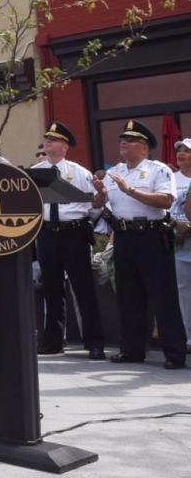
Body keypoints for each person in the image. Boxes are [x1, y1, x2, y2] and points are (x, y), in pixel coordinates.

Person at [91, 120, 185, 368]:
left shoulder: (158, 170)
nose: (123, 143)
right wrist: (100, 192)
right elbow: (99, 205)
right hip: (124, 236)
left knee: (162, 297)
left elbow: (165, 201)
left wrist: (131, 191)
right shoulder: (116, 172)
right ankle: (132, 350)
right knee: (128, 297)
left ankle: (174, 353)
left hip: (151, 236)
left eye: (130, 140)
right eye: (122, 140)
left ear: (144, 147)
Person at [29, 121, 106, 359]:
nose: (47, 142)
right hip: (47, 232)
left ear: (64, 146)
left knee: (83, 287)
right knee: (51, 287)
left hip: (73, 232)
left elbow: (95, 203)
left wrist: (102, 194)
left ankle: (94, 342)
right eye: (46, 139)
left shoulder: (78, 172)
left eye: (53, 140)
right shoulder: (37, 170)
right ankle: (52, 341)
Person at [171, 138, 191, 354]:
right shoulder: (171, 179)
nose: (181, 154)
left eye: (187, 151)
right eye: (180, 150)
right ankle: (188, 338)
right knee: (184, 292)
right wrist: (178, 226)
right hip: (179, 243)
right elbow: (166, 207)